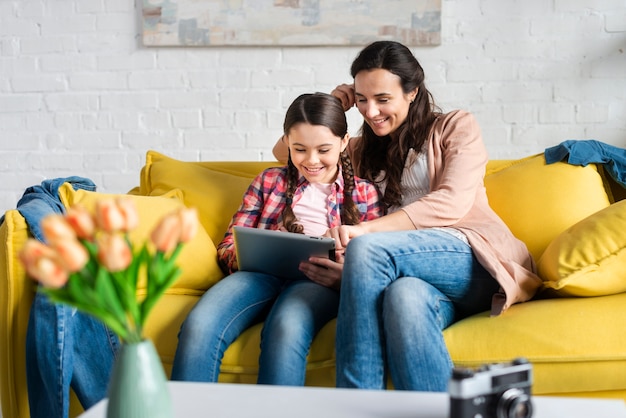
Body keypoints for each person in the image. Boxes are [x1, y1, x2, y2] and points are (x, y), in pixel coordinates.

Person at [273, 41, 542, 392]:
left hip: (470, 256)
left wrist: (365, 234)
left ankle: (355, 405)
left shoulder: (455, 126)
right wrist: (331, 105)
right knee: (404, 299)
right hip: (404, 271)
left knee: (367, 249)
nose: (370, 111)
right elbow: (285, 153)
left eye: (383, 99)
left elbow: (450, 203)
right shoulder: (358, 149)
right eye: (362, 99)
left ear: (412, 92)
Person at [170, 92, 384, 386]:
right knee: (200, 325)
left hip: (316, 283)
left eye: (323, 149)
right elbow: (228, 246)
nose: (311, 160)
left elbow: (374, 262)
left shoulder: (365, 194)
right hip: (258, 275)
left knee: (286, 328)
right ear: (286, 143)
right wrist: (260, 246)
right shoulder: (268, 182)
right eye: (299, 149)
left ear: (344, 142)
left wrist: (343, 272)